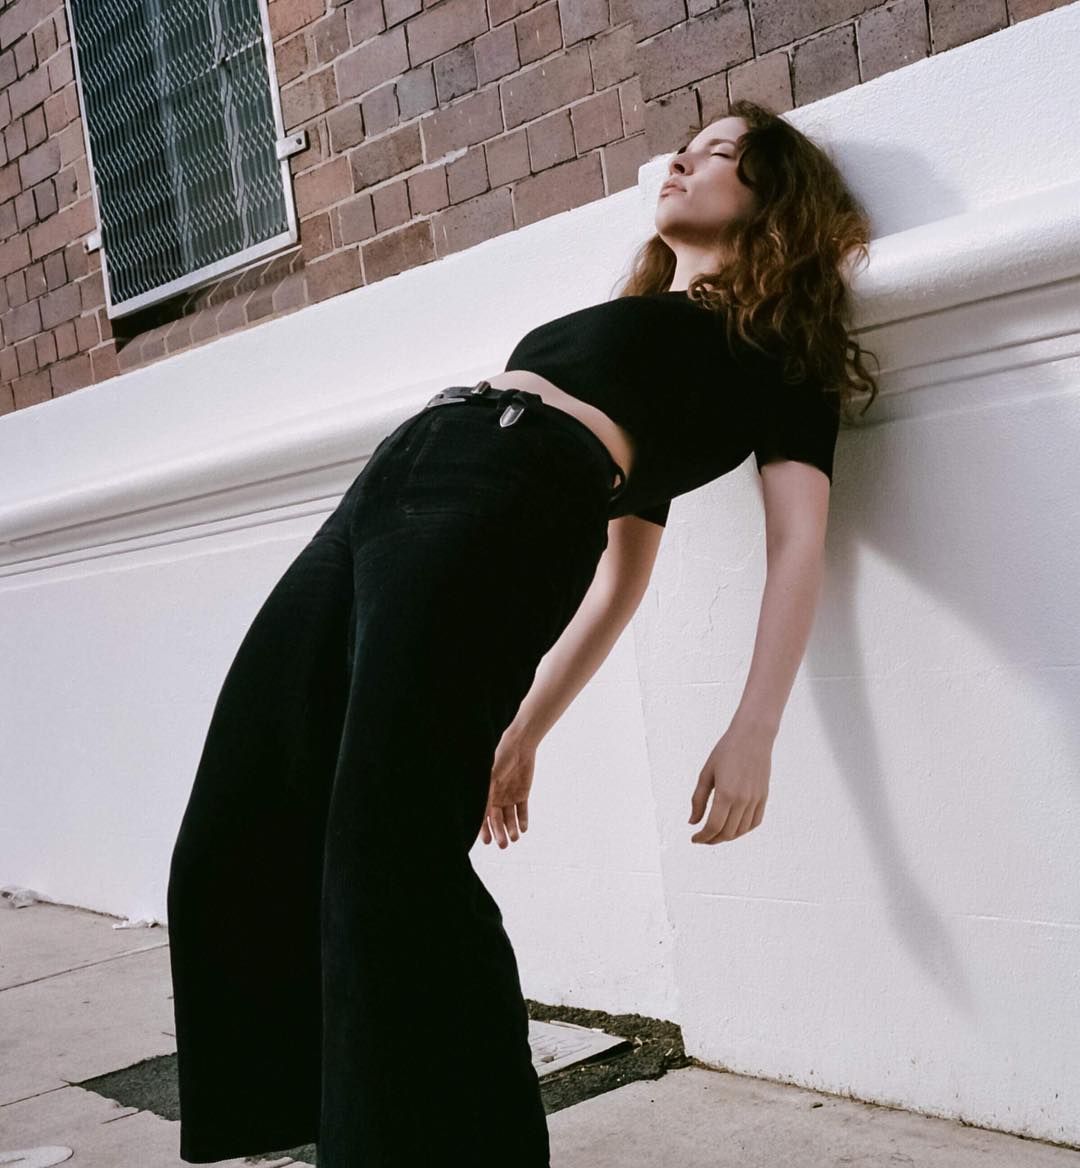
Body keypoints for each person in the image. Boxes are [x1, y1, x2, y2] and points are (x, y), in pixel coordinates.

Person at [166, 99, 880, 1167]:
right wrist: (525, 731)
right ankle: (296, 1117)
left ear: (774, 198)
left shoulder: (772, 352)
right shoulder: (638, 318)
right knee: (247, 802)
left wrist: (755, 729)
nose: (682, 159)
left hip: (507, 496)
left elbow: (794, 545)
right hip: (400, 476)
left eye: (722, 153)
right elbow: (623, 582)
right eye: (686, 145)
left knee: (388, 847)